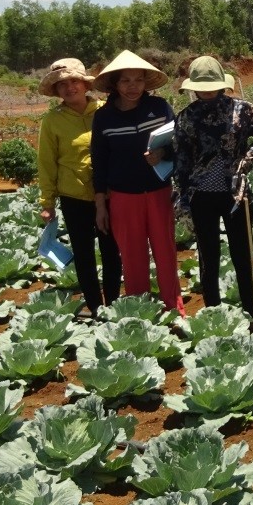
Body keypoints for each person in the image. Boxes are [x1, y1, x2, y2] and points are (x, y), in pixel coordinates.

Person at [91, 49, 184, 314]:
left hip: (158, 191)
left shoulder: (159, 108)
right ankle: (140, 313)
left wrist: (163, 153)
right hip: (122, 197)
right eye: (125, 81)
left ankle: (174, 310)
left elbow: (177, 143)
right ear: (114, 84)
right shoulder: (104, 117)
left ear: (146, 82)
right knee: (132, 259)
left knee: (166, 254)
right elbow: (99, 161)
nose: (133, 87)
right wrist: (100, 204)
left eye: (138, 80)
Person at [172, 55, 253, 319]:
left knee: (243, 256)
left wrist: (246, 161)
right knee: (208, 258)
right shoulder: (186, 117)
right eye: (201, 85)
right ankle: (213, 316)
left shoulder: (243, 110)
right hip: (201, 196)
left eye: (211, 83)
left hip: (236, 193)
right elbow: (182, 159)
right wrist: (183, 197)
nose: (206, 89)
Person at [36, 57, 120, 318]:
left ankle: (114, 302)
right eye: (62, 85)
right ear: (56, 91)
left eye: (74, 81)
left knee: (111, 251)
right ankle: (95, 306)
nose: (69, 88)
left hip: (108, 193)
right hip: (74, 196)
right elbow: (47, 162)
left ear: (85, 84)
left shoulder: (106, 110)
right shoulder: (53, 121)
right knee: (84, 255)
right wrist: (47, 202)